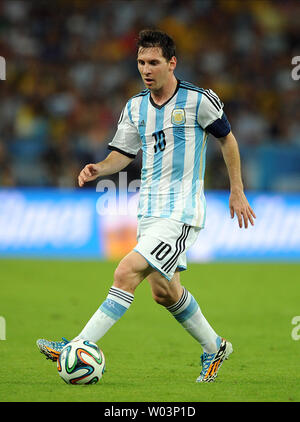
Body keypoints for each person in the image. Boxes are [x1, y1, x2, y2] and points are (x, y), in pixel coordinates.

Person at [37, 29, 256, 383]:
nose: (146, 69)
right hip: (149, 211)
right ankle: (214, 346)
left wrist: (237, 189)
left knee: (125, 272)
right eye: (141, 62)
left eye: (153, 62)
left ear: (172, 63)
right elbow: (122, 155)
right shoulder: (135, 106)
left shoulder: (198, 100)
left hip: (181, 212)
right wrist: (99, 168)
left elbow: (227, 140)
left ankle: (76, 345)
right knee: (163, 291)